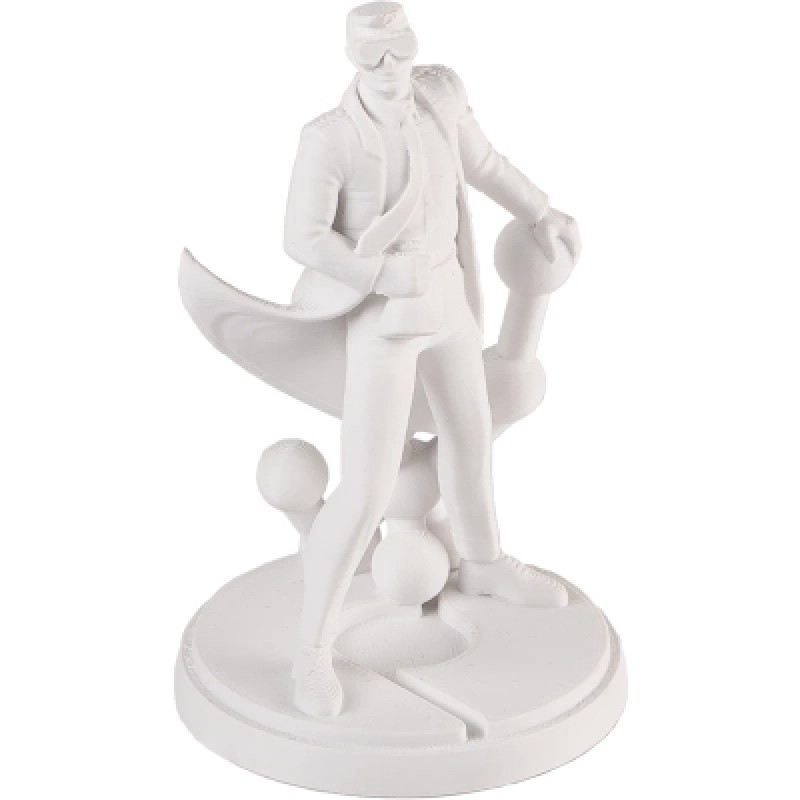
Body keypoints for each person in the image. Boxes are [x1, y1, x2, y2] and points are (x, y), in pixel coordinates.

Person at [284, 2, 581, 717]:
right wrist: (379, 274)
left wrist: (540, 209)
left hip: (447, 298)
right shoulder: (329, 138)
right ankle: (311, 650)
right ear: (352, 57)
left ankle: (483, 563)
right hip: (383, 318)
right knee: (365, 486)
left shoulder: (440, 96)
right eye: (373, 54)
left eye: (399, 47)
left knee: (470, 436)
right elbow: (303, 237)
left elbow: (483, 163)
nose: (390, 65)